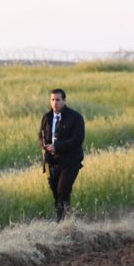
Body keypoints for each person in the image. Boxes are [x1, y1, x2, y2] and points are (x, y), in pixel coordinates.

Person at [38, 88, 85, 222]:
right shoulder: (47, 117)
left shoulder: (75, 118)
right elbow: (40, 136)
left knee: (63, 190)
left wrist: (56, 147)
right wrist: (45, 146)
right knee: (56, 194)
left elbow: (77, 139)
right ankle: (64, 220)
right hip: (51, 161)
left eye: (58, 100)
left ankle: (62, 224)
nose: (55, 103)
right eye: (52, 100)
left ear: (64, 100)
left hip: (70, 161)